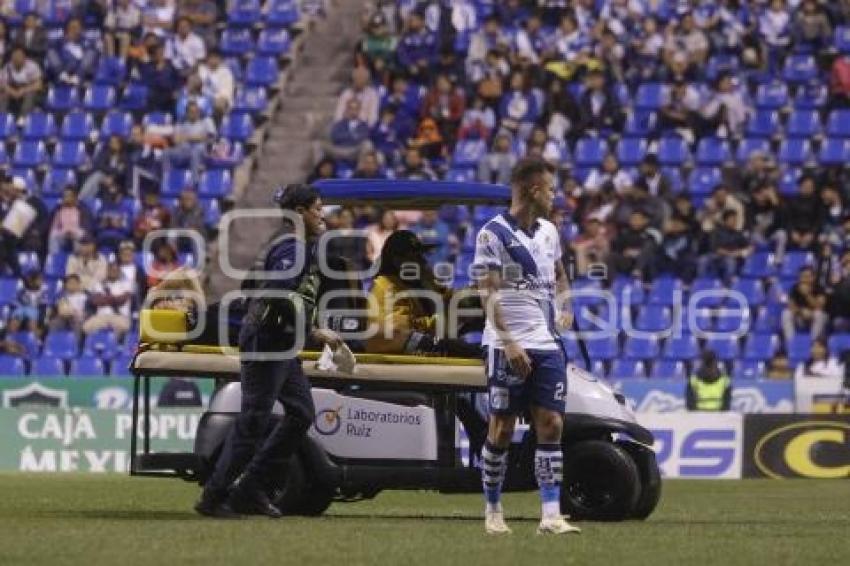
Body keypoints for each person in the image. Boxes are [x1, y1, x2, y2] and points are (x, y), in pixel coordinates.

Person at [195, 184, 343, 518]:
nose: (323, 215)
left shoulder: (295, 247)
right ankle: (214, 497)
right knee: (253, 422)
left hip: (280, 340)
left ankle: (251, 489)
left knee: (301, 412)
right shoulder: (293, 247)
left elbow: (285, 294)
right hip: (268, 338)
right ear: (300, 212)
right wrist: (316, 331)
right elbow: (279, 295)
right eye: (318, 208)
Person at [473, 158, 579, 535]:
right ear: (534, 190)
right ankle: (493, 510)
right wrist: (508, 342)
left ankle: (550, 515)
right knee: (501, 429)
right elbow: (487, 293)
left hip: (546, 342)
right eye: (551, 188)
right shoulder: (492, 234)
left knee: (551, 424)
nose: (555, 195)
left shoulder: (550, 231)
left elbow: (561, 274)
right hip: (507, 344)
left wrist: (565, 303)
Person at [83, 262, 133, 337]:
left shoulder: (126, 284)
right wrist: (114, 298)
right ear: (107, 271)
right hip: (101, 316)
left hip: (119, 316)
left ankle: (120, 348)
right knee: (86, 327)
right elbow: (96, 301)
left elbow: (122, 300)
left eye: (115, 270)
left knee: (124, 326)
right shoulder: (99, 284)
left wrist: (104, 298)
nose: (113, 272)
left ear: (119, 271)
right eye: (111, 270)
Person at [782, 266, 828, 343]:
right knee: (786, 313)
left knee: (819, 314)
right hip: (801, 317)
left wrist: (807, 295)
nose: (805, 279)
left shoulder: (820, 288)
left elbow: (820, 306)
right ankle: (791, 342)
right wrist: (801, 311)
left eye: (808, 276)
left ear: (813, 277)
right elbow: (790, 305)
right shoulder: (795, 288)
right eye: (803, 277)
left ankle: (812, 342)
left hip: (815, 318)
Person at [0, 47, 43, 118]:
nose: (16, 58)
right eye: (14, 56)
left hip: (27, 90)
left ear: (24, 57)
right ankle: (2, 117)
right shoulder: (8, 67)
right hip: (13, 89)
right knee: (3, 95)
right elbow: (2, 84)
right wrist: (11, 91)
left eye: (18, 56)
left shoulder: (32, 66)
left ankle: (23, 118)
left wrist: (23, 90)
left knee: (30, 95)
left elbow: (39, 85)